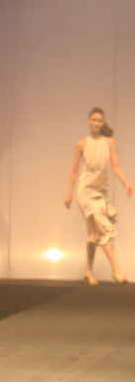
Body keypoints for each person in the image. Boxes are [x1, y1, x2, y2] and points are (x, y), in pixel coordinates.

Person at [64, 107, 132, 284]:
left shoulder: (109, 142)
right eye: (93, 120)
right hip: (86, 190)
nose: (96, 123)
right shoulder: (81, 144)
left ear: (103, 123)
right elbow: (74, 170)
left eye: (99, 120)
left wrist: (126, 183)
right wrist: (69, 193)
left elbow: (115, 166)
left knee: (94, 231)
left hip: (101, 189)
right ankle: (116, 270)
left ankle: (88, 270)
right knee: (101, 227)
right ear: (88, 122)